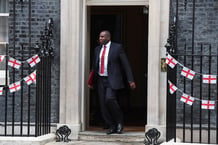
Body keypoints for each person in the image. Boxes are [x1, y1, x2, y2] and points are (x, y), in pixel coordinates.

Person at [88, 30, 136, 135]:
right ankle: (111, 125)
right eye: (100, 37)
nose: (100, 38)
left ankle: (119, 122)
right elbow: (94, 67)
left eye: (102, 37)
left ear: (108, 38)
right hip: (100, 79)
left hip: (112, 79)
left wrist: (130, 80)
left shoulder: (117, 48)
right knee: (102, 104)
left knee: (109, 99)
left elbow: (125, 64)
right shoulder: (97, 49)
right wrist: (91, 81)